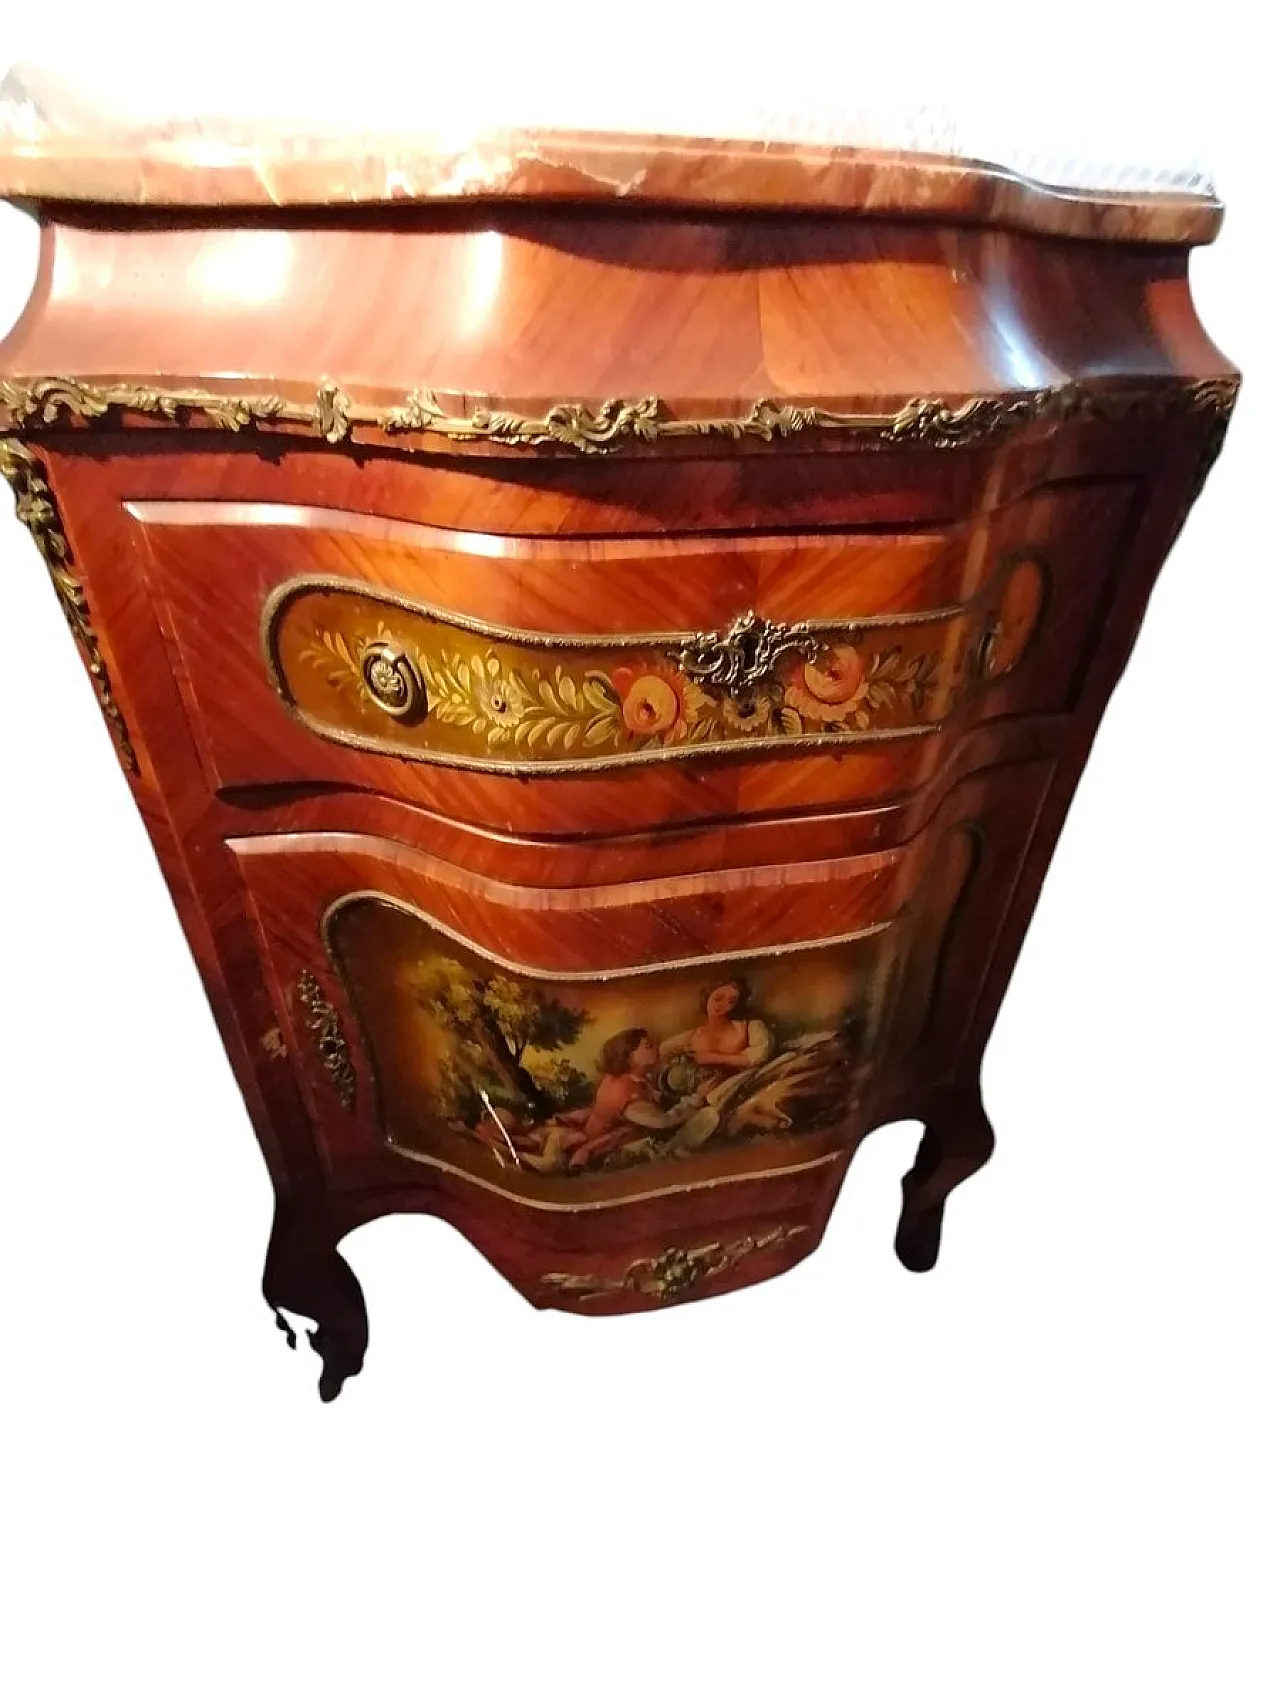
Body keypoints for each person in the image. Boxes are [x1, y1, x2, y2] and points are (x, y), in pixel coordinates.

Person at [659, 977, 772, 1097]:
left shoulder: (749, 1027)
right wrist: (681, 1065)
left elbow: (759, 1056)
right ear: (708, 997)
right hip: (709, 1095)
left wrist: (713, 1057)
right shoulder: (693, 1036)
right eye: (718, 999)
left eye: (731, 1002)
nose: (723, 1005)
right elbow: (664, 1051)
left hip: (744, 1088)